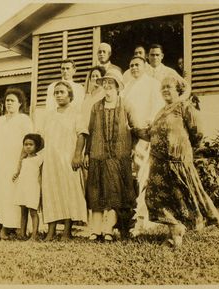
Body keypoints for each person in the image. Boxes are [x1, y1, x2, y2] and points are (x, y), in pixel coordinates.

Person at [135, 75, 219, 247]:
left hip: (178, 161)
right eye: (163, 88)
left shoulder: (184, 107)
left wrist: (185, 150)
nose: (165, 90)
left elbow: (197, 132)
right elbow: (151, 133)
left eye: (169, 87)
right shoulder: (161, 111)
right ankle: (175, 226)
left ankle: (178, 232)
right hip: (159, 163)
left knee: (182, 195)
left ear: (178, 90)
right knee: (154, 197)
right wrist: (133, 131)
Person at [73, 70, 137, 241]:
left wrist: (134, 147)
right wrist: (86, 153)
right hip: (98, 155)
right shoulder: (96, 106)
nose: (107, 88)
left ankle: (108, 230)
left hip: (118, 156)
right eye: (105, 84)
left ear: (117, 87)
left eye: (111, 84)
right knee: (96, 192)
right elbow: (91, 130)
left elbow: (135, 127)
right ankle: (96, 230)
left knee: (114, 193)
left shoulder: (126, 104)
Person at [37, 81, 88, 241]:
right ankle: (51, 231)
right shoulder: (49, 115)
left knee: (69, 192)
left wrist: (77, 155)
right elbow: (43, 139)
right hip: (51, 159)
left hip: (68, 158)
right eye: (56, 93)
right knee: (50, 193)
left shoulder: (76, 113)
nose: (59, 95)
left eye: (62, 92)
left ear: (70, 95)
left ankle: (67, 231)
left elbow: (82, 135)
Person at [122, 56, 165, 235]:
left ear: (145, 66)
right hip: (130, 135)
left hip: (146, 134)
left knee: (143, 175)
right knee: (133, 176)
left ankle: (144, 219)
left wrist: (150, 122)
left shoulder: (153, 84)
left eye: (137, 65)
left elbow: (158, 105)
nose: (134, 68)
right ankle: (131, 219)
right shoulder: (128, 86)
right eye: (131, 65)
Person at [0, 87, 33, 240]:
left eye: (12, 101)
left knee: (11, 195)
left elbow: (28, 143)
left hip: (15, 162)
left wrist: (20, 164)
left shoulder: (24, 120)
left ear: (20, 103)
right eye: (7, 101)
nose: (9, 103)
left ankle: (6, 229)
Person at [12, 133, 44, 241]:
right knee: (23, 212)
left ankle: (34, 235)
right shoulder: (23, 159)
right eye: (25, 144)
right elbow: (20, 171)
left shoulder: (39, 159)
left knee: (33, 212)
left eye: (31, 144)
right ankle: (22, 233)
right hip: (23, 188)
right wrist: (16, 174)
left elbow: (40, 175)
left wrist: (40, 190)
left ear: (37, 146)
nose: (28, 146)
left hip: (33, 188)